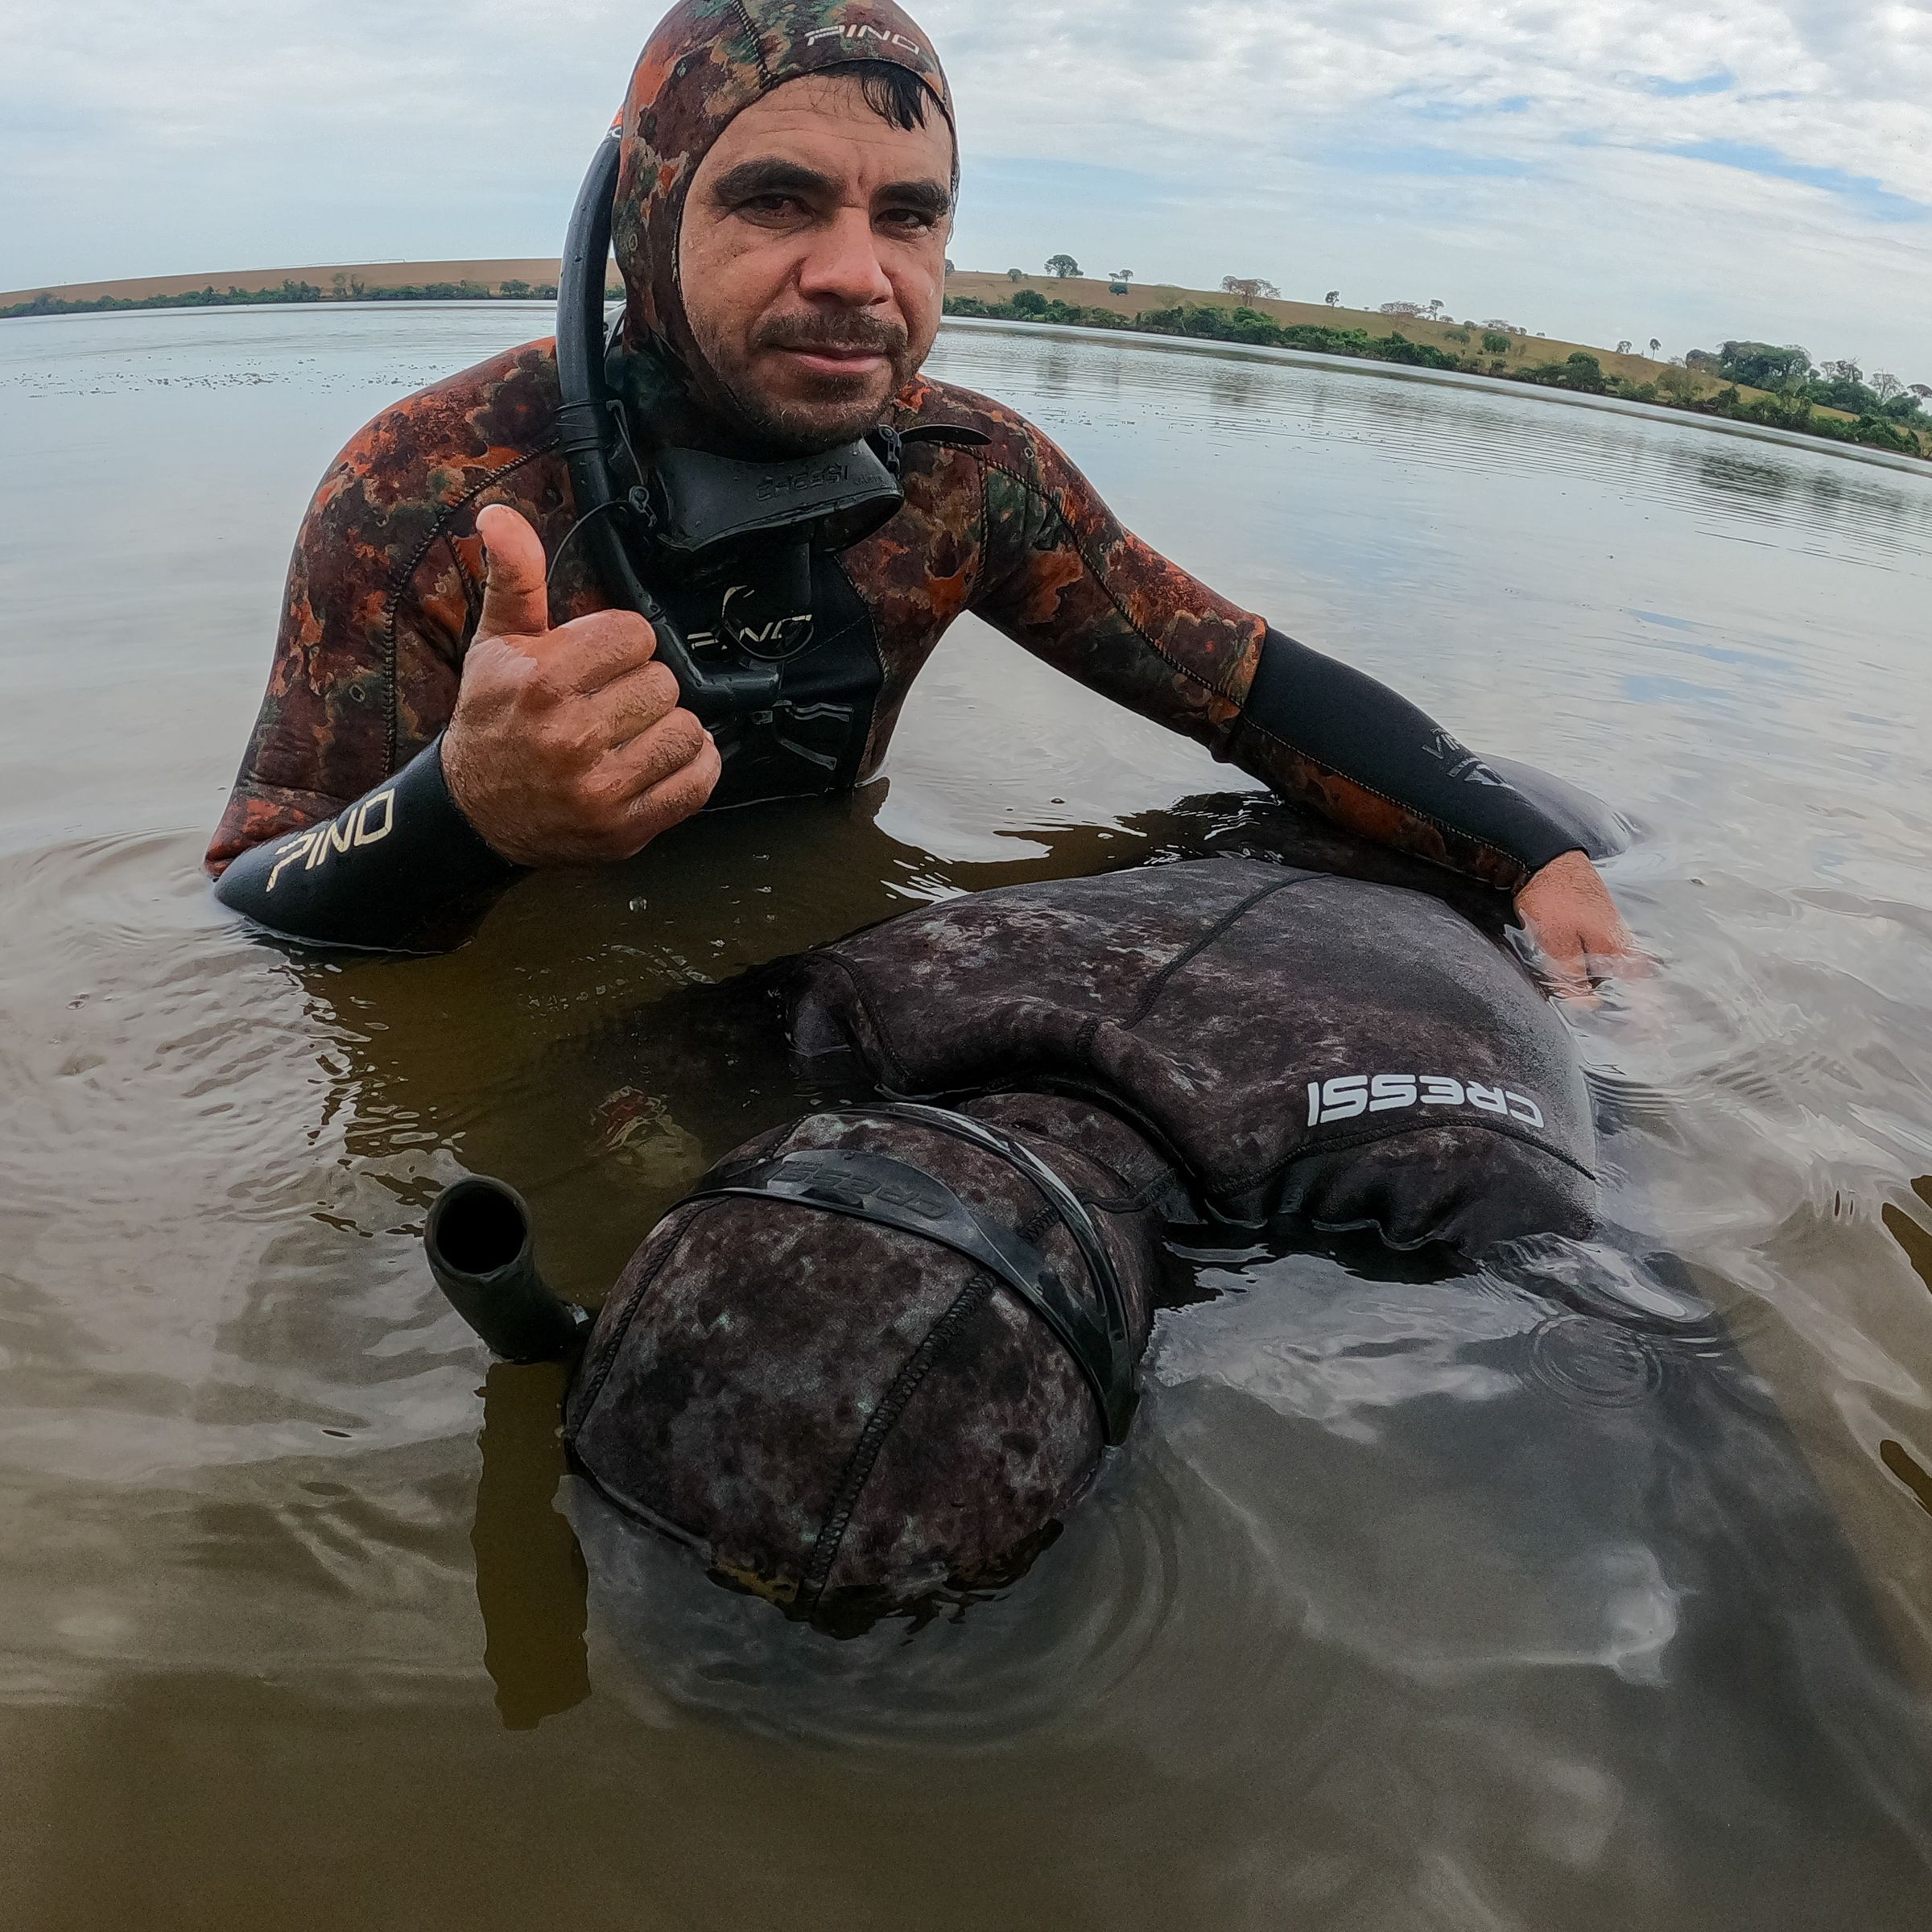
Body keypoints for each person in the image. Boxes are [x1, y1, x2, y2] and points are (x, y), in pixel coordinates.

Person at [206, 0, 1633, 993]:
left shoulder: (967, 480)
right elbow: (253, 905)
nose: (855, 272)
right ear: (653, 220)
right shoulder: (432, 489)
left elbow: (1248, 692)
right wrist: (465, 808)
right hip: (529, 985)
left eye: (909, 216)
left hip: (805, 974)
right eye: (776, 200)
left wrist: (1535, 855)